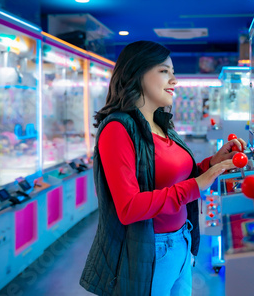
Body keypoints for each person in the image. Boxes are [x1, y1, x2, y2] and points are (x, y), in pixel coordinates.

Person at [80, 41, 245, 296]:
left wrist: (211, 164)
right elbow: (128, 208)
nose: (174, 81)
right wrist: (197, 186)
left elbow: (176, 178)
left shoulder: (162, 124)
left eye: (174, 73)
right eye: (164, 71)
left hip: (182, 241)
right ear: (137, 73)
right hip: (150, 250)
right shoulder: (117, 128)